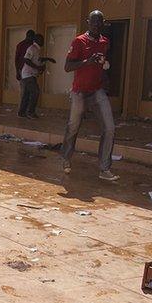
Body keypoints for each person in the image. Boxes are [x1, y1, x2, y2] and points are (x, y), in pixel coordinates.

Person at [61, 10, 118, 181]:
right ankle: (65, 158)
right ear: (88, 23)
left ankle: (104, 168)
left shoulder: (104, 42)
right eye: (93, 22)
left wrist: (104, 71)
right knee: (73, 125)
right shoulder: (79, 41)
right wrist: (87, 61)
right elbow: (67, 66)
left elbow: (103, 65)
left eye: (99, 22)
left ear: (103, 23)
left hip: (97, 90)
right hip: (79, 91)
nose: (96, 25)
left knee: (109, 128)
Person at [16, 31, 45, 118]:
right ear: (36, 40)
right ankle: (30, 112)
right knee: (35, 92)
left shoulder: (37, 49)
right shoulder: (32, 48)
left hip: (30, 75)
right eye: (41, 40)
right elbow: (26, 59)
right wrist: (37, 67)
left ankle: (21, 112)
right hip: (28, 75)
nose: (43, 41)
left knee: (27, 94)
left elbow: (35, 59)